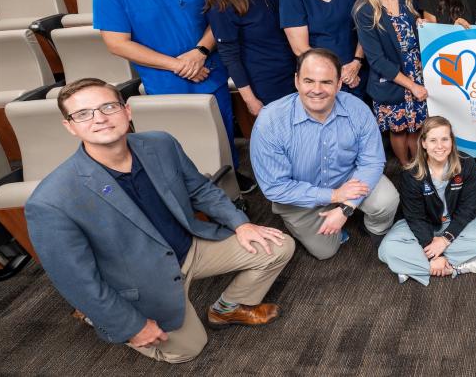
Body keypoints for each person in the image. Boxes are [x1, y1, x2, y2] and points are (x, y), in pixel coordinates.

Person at [27, 78, 294, 364]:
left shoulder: (161, 143)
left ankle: (227, 308)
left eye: (108, 107)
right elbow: (76, 280)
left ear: (127, 111)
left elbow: (199, 189)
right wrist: (129, 326)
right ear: (69, 126)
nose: (100, 118)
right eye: (83, 114)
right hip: (140, 279)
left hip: (190, 247)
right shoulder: (50, 200)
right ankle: (97, 317)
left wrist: (240, 223)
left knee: (278, 245)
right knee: (188, 350)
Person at [94, 0, 242, 190]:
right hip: (166, 87)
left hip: (210, 76)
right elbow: (117, 43)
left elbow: (217, 21)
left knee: (224, 145)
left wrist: (199, 53)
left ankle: (234, 192)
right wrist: (179, 66)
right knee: (182, 155)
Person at [251, 49, 400, 260]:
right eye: (309, 81)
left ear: (339, 84)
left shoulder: (358, 109)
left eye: (326, 82)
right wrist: (333, 196)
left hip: (347, 180)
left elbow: (372, 161)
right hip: (299, 194)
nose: (317, 90)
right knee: (325, 251)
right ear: (297, 81)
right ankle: (318, 222)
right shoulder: (270, 122)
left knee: (387, 200)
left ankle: (375, 229)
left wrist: (346, 207)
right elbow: (275, 187)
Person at [379, 116, 476, 285]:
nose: (439, 146)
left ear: (452, 141)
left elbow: (468, 208)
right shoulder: (411, 173)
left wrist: (445, 240)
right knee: (387, 249)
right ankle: (454, 267)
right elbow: (415, 217)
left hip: (455, 221)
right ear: (423, 143)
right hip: (423, 224)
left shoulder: (467, 164)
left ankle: (411, 267)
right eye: (433, 140)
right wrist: (433, 253)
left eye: (445, 139)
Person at [205, 0, 296, 117]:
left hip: (293, 74)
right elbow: (230, 57)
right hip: (264, 85)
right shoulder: (221, 3)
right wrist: (250, 100)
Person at [354, 0, 430, 166]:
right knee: (399, 131)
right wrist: (411, 86)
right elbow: (376, 61)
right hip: (392, 80)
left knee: (416, 127)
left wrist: (421, 25)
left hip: (417, 73)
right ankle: (406, 168)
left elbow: (413, 33)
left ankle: (419, 170)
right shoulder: (364, 10)